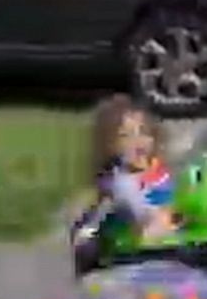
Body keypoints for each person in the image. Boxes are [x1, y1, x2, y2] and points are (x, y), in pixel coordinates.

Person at [76, 94, 178, 245]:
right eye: (125, 136)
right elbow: (102, 209)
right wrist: (88, 230)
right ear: (109, 144)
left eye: (143, 132)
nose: (137, 142)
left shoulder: (159, 172)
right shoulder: (116, 181)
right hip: (133, 240)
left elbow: (170, 202)